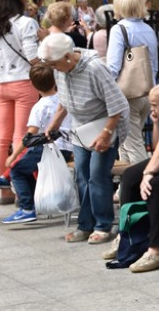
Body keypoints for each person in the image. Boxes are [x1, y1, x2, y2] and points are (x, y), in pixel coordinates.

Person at [41, 33, 129, 244]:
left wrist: (107, 134)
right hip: (80, 129)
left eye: (55, 64)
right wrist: (54, 122)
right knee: (82, 175)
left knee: (97, 176)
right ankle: (85, 224)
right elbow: (63, 100)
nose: (53, 68)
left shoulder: (95, 68)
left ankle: (102, 225)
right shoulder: (60, 69)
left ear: (68, 57)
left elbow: (116, 105)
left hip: (105, 126)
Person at [114, 82, 159, 273]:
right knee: (131, 175)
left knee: (155, 185)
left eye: (155, 105)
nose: (152, 109)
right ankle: (128, 234)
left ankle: (157, 249)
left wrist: (149, 174)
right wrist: (156, 122)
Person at [0, 64, 73, 224]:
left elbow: (29, 136)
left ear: (33, 84)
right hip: (67, 148)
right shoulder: (63, 99)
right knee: (26, 168)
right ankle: (30, 201)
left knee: (17, 171)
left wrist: (12, 156)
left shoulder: (40, 106)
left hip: (50, 148)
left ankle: (27, 208)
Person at [106, 0, 159, 165]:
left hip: (126, 95)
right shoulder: (148, 29)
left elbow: (112, 67)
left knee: (133, 144)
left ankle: (142, 185)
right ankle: (125, 188)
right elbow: (153, 63)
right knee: (125, 144)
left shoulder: (118, 30)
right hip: (146, 91)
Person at [0, 0, 40, 194]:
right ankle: (18, 187)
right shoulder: (25, 23)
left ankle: (3, 189)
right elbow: (32, 56)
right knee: (21, 136)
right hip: (23, 82)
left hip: (0, 83)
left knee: (1, 137)